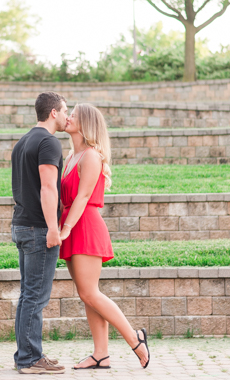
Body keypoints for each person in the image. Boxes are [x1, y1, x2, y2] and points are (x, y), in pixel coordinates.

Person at [58, 103, 151, 370]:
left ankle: (135, 340)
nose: (69, 117)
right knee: (87, 294)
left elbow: (84, 196)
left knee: (90, 293)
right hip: (72, 225)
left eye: (74, 114)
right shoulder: (70, 158)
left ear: (86, 123)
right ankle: (101, 355)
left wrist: (65, 230)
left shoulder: (91, 156)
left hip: (84, 225)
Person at [11, 92, 68, 374]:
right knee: (35, 296)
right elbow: (48, 188)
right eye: (65, 110)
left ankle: (26, 354)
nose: (68, 116)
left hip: (21, 225)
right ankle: (30, 359)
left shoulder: (23, 141)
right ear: (54, 113)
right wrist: (53, 228)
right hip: (38, 228)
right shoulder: (48, 142)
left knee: (27, 295)